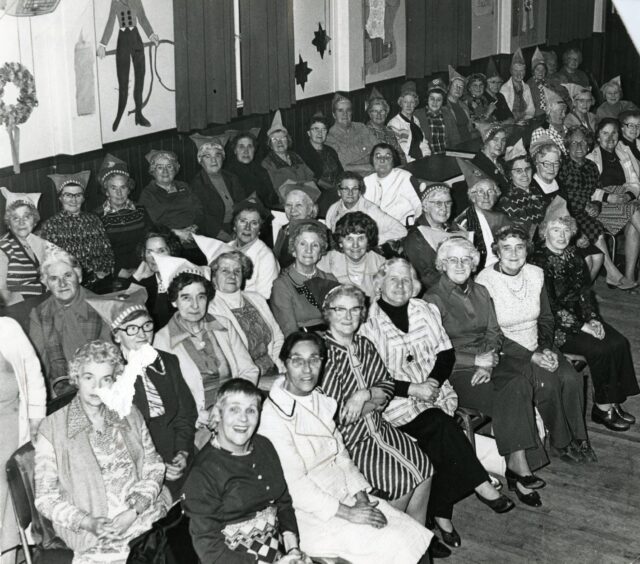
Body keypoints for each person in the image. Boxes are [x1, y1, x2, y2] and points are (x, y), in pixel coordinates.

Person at [360, 259, 513, 547]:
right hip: (395, 403)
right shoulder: (367, 323)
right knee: (440, 427)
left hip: (435, 392)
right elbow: (373, 377)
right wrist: (414, 388)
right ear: (379, 283)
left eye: (407, 280)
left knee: (437, 439)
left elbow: (445, 354)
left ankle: (439, 516)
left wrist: (431, 382)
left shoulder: (424, 309)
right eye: (393, 279)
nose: (401, 285)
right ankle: (480, 484)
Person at [259, 331, 434, 564]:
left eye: (314, 359)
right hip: (313, 514)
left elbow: (343, 457)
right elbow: (295, 487)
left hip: (347, 496)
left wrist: (361, 497)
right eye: (297, 360)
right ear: (284, 363)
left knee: (414, 536)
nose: (307, 368)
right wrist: (349, 512)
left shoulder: (319, 400)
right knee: (395, 543)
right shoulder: (272, 418)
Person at [425, 238, 546, 507]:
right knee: (512, 389)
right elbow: (432, 349)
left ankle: (516, 465)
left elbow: (494, 331)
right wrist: (474, 359)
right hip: (456, 368)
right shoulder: (432, 299)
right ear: (442, 264)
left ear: (474, 263)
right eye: (453, 260)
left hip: (488, 360)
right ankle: (518, 467)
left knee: (518, 382)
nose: (460, 265)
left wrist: (488, 360)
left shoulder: (480, 291)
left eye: (466, 259)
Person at [34, 340, 170, 563]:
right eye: (89, 377)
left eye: (105, 379)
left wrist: (134, 510)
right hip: (93, 533)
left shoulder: (128, 413)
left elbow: (154, 465)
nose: (97, 387)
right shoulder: (52, 429)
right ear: (76, 378)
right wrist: (89, 522)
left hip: (142, 517)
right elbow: (45, 498)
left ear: (114, 379)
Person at [476, 226, 594, 463]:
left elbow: (547, 318)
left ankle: (579, 437)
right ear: (497, 251)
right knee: (548, 382)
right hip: (507, 351)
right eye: (506, 248)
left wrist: (545, 348)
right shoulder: (485, 281)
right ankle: (561, 442)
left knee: (571, 377)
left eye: (519, 247)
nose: (513, 253)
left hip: (538, 343)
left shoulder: (535, 273)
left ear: (527, 250)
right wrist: (531, 356)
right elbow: (491, 332)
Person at [320, 285, 432, 524]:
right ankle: (386, 540)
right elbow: (340, 416)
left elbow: (387, 386)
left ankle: (418, 538)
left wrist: (364, 394)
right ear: (327, 312)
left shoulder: (364, 345)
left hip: (379, 429)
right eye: (340, 309)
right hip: (349, 442)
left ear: (362, 313)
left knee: (425, 469)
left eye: (354, 309)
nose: (348, 316)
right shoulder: (322, 354)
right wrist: (375, 400)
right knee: (401, 483)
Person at [183, 379, 311, 564]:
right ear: (218, 414)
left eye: (251, 410)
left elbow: (283, 502)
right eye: (234, 409)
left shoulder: (264, 446)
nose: (243, 419)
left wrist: (293, 550)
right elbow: (210, 550)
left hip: (277, 554)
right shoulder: (203, 473)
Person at [86, 286, 197, 496]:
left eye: (147, 326)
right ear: (117, 336)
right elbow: (115, 438)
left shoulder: (167, 362)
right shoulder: (110, 376)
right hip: (137, 463)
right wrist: (158, 465)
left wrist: (182, 452)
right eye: (132, 329)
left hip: (176, 449)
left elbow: (185, 414)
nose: (143, 334)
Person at [531, 216, 639, 432]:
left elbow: (584, 292)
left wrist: (593, 318)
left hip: (579, 317)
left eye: (565, 230)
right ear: (545, 233)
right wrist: (583, 326)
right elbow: (548, 306)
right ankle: (602, 407)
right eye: (555, 230)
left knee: (618, 342)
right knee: (600, 349)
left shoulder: (573, 255)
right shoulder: (537, 263)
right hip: (552, 325)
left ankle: (612, 401)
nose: (561, 235)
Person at [152, 256, 259, 428]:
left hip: (237, 408)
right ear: (174, 301)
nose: (195, 305)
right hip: (197, 421)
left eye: (200, 297)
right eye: (186, 298)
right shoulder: (161, 341)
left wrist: (229, 406)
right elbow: (167, 396)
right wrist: (198, 416)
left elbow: (249, 370)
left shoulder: (224, 325)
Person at [558, 126, 635, 289]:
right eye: (574, 142)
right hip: (567, 211)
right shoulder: (563, 166)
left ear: (588, 145)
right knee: (595, 229)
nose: (579, 146)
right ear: (567, 145)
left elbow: (596, 190)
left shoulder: (591, 166)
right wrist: (585, 206)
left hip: (587, 212)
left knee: (596, 225)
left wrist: (596, 205)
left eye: (583, 142)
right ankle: (612, 274)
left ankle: (605, 279)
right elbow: (564, 196)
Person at [29, 249, 111, 397]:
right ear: (46, 283)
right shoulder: (39, 314)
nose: (62, 284)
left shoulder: (101, 307)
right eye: (54, 278)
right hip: (58, 390)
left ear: (78, 276)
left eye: (67, 275)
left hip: (99, 385)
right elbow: (37, 364)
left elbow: (110, 360)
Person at [0, 316, 46, 564]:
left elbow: (33, 372)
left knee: (7, 509)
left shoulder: (7, 328)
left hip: (10, 429)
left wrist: (38, 418)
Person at [209, 251, 284, 380]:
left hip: (274, 370)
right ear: (214, 276)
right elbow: (226, 361)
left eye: (237, 271)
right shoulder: (211, 309)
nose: (232, 276)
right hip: (244, 380)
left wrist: (281, 367)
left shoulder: (256, 299)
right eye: (225, 271)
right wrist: (259, 382)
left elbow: (277, 337)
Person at [586, 118, 640, 284]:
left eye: (614, 132)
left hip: (625, 201)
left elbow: (634, 182)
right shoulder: (591, 158)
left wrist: (628, 196)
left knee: (633, 225)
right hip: (602, 205)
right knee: (635, 212)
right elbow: (588, 190)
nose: (610, 137)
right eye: (605, 133)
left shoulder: (623, 154)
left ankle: (629, 277)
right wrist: (609, 197)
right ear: (597, 137)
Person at [40, 171, 115, 290]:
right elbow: (50, 263)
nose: (73, 200)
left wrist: (104, 272)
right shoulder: (51, 226)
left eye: (78, 195)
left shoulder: (94, 220)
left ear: (83, 198)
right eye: (68, 195)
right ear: (60, 198)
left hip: (101, 281)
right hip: (69, 285)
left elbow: (107, 253)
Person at [97, 0, 159, 131]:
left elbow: (142, 17)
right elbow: (110, 22)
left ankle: (139, 115)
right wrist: (103, 45)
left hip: (136, 40)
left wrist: (151, 35)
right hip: (123, 41)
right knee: (123, 82)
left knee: (140, 79)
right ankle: (119, 115)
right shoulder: (115, 2)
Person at [270, 220, 339, 337]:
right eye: (303, 244)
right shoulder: (282, 285)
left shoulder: (330, 279)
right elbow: (290, 332)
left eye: (315, 245)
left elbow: (340, 320)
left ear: (321, 252)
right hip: (302, 344)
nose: (309, 250)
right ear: (293, 250)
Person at [94, 154, 151, 282]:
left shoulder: (140, 210)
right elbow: (98, 253)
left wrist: (145, 267)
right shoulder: (97, 216)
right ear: (106, 191)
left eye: (123, 187)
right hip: (115, 274)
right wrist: (121, 271)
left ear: (129, 189)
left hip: (144, 268)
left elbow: (150, 238)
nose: (119, 193)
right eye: (113, 188)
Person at [139, 150, 204, 258]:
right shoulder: (148, 194)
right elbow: (151, 225)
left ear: (175, 168)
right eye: (160, 167)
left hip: (194, 238)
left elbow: (199, 209)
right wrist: (177, 233)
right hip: (167, 244)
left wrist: (194, 228)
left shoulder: (184, 186)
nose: (165, 171)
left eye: (169, 166)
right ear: (153, 171)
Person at [404, 184, 465, 290]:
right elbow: (428, 278)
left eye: (448, 203)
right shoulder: (416, 238)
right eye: (438, 203)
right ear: (425, 206)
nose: (444, 208)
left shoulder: (454, 228)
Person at [189, 134, 250, 242]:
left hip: (236, 226)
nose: (213, 161)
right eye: (207, 156)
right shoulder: (197, 184)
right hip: (215, 233)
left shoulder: (231, 177)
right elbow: (201, 218)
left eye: (217, 155)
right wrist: (226, 237)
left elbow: (242, 203)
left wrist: (241, 228)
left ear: (223, 158)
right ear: (200, 161)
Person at [325, 172, 407, 245]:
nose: (350, 193)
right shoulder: (333, 209)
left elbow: (401, 230)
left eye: (355, 189)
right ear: (339, 192)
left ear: (360, 192)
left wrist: (370, 241)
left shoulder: (370, 210)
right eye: (346, 189)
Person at [318, 212, 386, 297]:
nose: (355, 245)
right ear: (340, 242)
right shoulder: (325, 263)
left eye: (361, 238)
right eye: (349, 239)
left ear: (368, 241)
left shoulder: (382, 264)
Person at [456, 170, 511, 270]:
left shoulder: (502, 216)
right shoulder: (463, 222)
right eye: (481, 192)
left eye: (490, 191)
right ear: (473, 197)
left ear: (496, 195)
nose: (486, 196)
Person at [0, 192, 47, 305]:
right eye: (15, 218)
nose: (21, 222)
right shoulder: (3, 248)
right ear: (9, 224)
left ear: (34, 221)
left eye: (26, 217)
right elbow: (2, 293)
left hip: (43, 301)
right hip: (18, 308)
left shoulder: (40, 242)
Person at [227, 200, 280, 299]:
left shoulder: (265, 257)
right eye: (243, 221)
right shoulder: (224, 249)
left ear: (259, 230)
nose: (247, 227)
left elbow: (265, 298)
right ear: (234, 226)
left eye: (254, 223)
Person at [131, 227, 181, 329]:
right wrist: (136, 277)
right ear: (143, 255)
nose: (154, 256)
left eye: (161, 250)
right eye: (149, 252)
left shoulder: (183, 280)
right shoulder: (144, 282)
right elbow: (121, 309)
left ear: (172, 251)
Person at [363, 143, 422, 226]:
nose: (382, 160)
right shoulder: (367, 181)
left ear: (393, 160)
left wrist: (417, 226)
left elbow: (419, 205)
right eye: (378, 156)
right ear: (372, 160)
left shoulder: (403, 177)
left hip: (404, 227)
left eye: (387, 157)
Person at [496, 143, 547, 237]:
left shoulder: (536, 190)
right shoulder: (507, 201)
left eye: (527, 169)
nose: (524, 174)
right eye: (518, 171)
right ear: (509, 174)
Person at [297, 114, 344, 215]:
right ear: (309, 133)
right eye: (316, 129)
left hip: (336, 190)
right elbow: (313, 179)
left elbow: (341, 172)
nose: (320, 133)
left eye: (323, 129)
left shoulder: (330, 151)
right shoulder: (302, 153)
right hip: (318, 194)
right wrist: (335, 189)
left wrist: (343, 185)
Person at [326, 93, 382, 174]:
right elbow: (341, 166)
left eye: (348, 110)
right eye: (340, 110)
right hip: (354, 179)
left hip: (376, 171)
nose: (345, 114)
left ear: (351, 112)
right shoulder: (330, 138)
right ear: (334, 114)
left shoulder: (361, 127)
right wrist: (366, 167)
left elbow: (378, 148)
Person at [262, 111, 317, 193]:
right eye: (274, 139)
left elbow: (311, 177)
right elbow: (278, 189)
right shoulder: (268, 163)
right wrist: (304, 186)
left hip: (308, 195)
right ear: (270, 144)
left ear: (288, 140)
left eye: (282, 138)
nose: (279, 142)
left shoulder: (295, 156)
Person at [273, 181, 324, 269]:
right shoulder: (284, 229)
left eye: (299, 205)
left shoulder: (315, 233)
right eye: (288, 205)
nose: (292, 210)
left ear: (310, 208)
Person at [225, 129, 280, 209]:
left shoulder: (261, 170)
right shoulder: (228, 174)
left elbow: (273, 198)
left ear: (254, 150)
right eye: (241, 147)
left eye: (250, 146)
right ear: (235, 150)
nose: (246, 151)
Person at [387, 81, 431, 162]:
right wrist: (414, 161)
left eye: (412, 102)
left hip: (421, 159)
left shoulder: (416, 120)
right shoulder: (394, 123)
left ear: (415, 104)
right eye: (405, 102)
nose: (408, 105)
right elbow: (397, 151)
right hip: (406, 162)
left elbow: (422, 142)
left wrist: (427, 155)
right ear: (401, 103)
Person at [414, 78, 461, 154]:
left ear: (443, 101)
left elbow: (456, 139)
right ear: (427, 99)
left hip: (447, 156)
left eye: (439, 99)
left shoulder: (448, 114)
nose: (435, 102)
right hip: (428, 158)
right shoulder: (417, 115)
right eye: (432, 98)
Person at [364, 88, 406, 163]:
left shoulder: (389, 131)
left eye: (382, 111)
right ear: (370, 114)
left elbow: (401, 154)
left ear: (386, 114)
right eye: (375, 111)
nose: (379, 114)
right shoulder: (365, 132)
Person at [470, 122, 510, 191]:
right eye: (495, 140)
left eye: (503, 140)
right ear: (486, 141)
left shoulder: (500, 161)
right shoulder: (477, 166)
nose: (500, 145)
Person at [499, 49, 535, 124]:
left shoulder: (526, 87)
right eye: (516, 71)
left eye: (521, 71)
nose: (519, 74)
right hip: (510, 123)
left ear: (525, 71)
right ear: (511, 71)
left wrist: (526, 119)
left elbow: (531, 110)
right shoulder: (505, 89)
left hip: (525, 122)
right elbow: (506, 114)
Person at [446, 66, 478, 145]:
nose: (458, 89)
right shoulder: (444, 105)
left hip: (468, 142)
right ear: (449, 87)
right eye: (455, 86)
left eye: (461, 87)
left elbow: (470, 128)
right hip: (455, 145)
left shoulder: (464, 105)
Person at [482, 57, 513, 123]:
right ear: (486, 83)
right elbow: (482, 121)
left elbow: (510, 116)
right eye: (493, 82)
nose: (496, 85)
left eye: (499, 82)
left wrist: (509, 121)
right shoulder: (483, 98)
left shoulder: (500, 96)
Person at [527, 47, 550, 118]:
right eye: (537, 69)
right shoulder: (529, 85)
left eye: (543, 69)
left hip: (549, 114)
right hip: (536, 116)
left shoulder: (547, 82)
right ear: (533, 71)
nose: (541, 72)